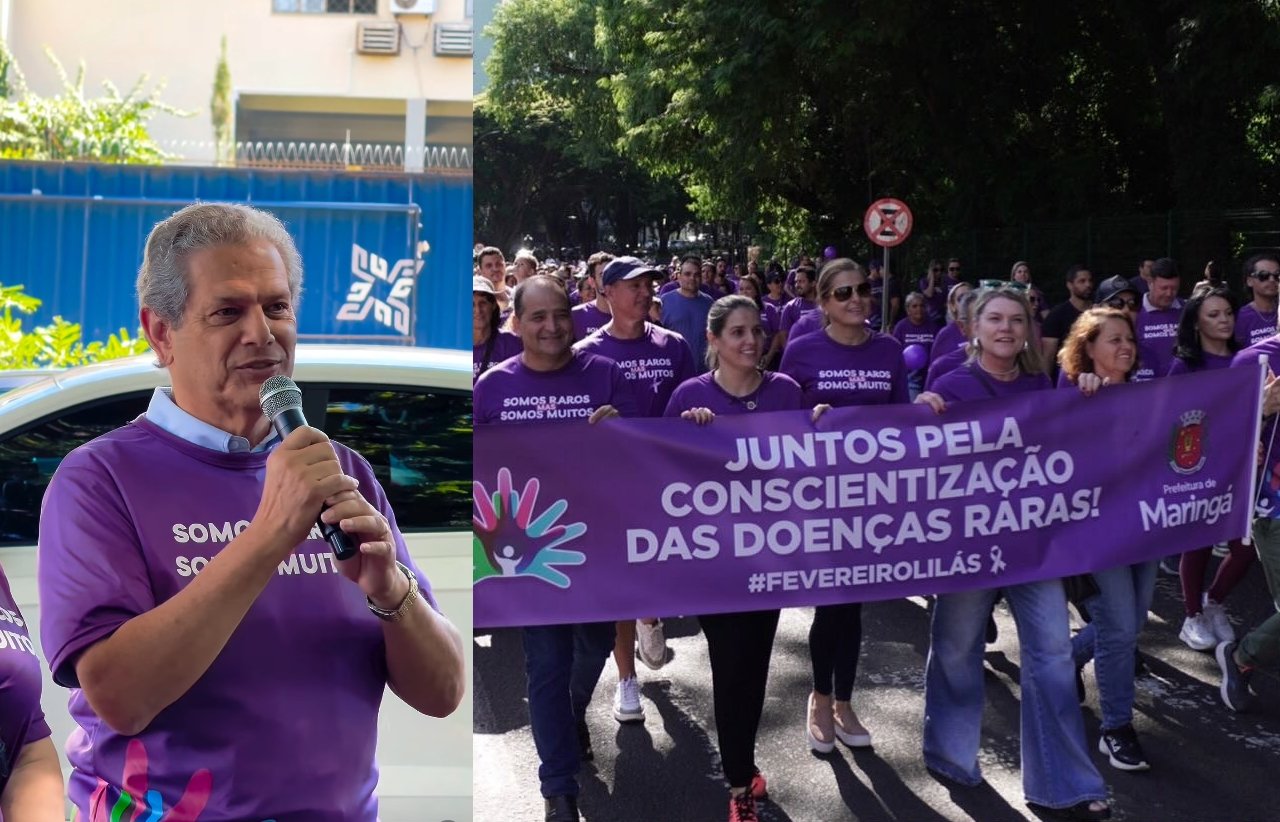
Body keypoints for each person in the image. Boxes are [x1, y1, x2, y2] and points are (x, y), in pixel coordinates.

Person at [37, 202, 466, 820]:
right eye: (228, 311)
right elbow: (120, 697)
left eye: (277, 306)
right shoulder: (98, 480)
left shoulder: (340, 470)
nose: (262, 333)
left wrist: (388, 588)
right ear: (161, 333)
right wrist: (269, 535)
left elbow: (444, 691)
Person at [915, 287, 1111, 821]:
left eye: (1016, 320)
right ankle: (950, 755)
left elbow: (1074, 440)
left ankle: (1064, 781)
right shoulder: (949, 384)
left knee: (1050, 656)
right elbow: (921, 460)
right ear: (972, 329)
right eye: (994, 320)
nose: (1006, 328)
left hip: (1034, 548)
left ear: (1028, 329)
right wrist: (919, 415)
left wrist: (1090, 388)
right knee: (957, 647)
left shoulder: (1042, 385)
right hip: (968, 546)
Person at [475, 274, 636, 822]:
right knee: (545, 664)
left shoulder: (607, 375)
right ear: (516, 323)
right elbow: (475, 477)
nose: (551, 327)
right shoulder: (492, 387)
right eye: (537, 317)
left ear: (574, 317)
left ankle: (572, 711)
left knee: (592, 648)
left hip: (599, 545)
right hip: (533, 554)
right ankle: (558, 787)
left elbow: (647, 460)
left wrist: (623, 429)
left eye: (560, 314)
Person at [665, 294, 811, 822]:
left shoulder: (787, 392)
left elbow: (810, 466)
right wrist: (687, 431)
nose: (750, 341)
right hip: (712, 564)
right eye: (737, 333)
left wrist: (821, 424)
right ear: (715, 340)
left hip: (768, 560)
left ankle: (742, 765)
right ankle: (738, 782)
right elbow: (658, 473)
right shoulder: (689, 395)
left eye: (757, 330)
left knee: (755, 665)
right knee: (730, 668)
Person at [780, 258, 907, 757]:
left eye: (863, 290)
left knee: (852, 602)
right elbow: (782, 418)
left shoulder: (889, 350)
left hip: (870, 498)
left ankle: (844, 701)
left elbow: (901, 420)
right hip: (819, 496)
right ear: (824, 302)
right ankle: (821, 697)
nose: (856, 299)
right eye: (843, 293)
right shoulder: (804, 348)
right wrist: (807, 419)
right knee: (832, 599)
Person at [576, 256, 696, 726]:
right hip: (613, 485)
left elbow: (695, 397)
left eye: (650, 284)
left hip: (667, 481)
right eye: (634, 286)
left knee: (659, 566)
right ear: (607, 294)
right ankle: (626, 679)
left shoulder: (675, 346)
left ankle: (651, 611)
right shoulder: (584, 352)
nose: (647, 292)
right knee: (622, 578)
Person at [1056, 308, 1154, 772]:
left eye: (1129, 339)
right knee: (1118, 629)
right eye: (1113, 339)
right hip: (1097, 535)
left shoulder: (1150, 396)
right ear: (1087, 349)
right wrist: (1085, 397)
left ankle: (1066, 659)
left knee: (1129, 625)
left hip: (1148, 529)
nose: (1125, 347)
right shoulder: (1074, 394)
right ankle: (1116, 728)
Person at [1167, 289, 1253, 652]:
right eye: (1214, 314)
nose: (1224, 320)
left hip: (1244, 464)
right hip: (1200, 465)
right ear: (1196, 322)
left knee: (1246, 546)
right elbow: (1173, 419)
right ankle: (1191, 617)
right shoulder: (1185, 364)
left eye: (1228, 313)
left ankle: (1213, 601)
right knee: (1199, 540)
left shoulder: (1248, 357)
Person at [660, 255, 716, 372]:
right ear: (679, 276)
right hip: (673, 371)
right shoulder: (664, 301)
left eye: (696, 275)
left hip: (703, 372)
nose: (692, 278)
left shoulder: (709, 303)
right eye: (687, 274)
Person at [1134, 258, 1183, 381]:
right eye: (1164, 288)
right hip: (1146, 388)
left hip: (1182, 384)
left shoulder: (1186, 310)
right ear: (1150, 283)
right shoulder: (1134, 311)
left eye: (1174, 288)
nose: (1169, 293)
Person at [1041, 265, 1095, 368]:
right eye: (1082, 281)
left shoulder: (1099, 312)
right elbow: (1048, 356)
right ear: (1070, 285)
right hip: (1067, 376)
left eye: (1090, 280)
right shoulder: (1056, 315)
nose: (1088, 285)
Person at [892, 291, 940, 399]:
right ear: (908, 309)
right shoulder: (901, 327)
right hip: (910, 377)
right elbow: (894, 351)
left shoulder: (933, 327)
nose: (919, 309)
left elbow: (938, 351)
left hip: (929, 375)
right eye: (914, 306)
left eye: (922, 306)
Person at [474, 275, 522, 379]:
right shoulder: (455, 349)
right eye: (471, 304)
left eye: (483, 303)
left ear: (493, 305)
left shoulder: (512, 343)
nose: (478, 310)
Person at [1235, 252, 1280, 349]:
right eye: (1264, 275)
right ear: (1249, 281)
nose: (1272, 279)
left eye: (1277, 275)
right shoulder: (1242, 316)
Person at [927, 281, 975, 367]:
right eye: (961, 298)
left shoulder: (984, 330)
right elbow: (935, 368)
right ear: (952, 306)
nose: (966, 302)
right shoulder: (945, 334)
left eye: (970, 298)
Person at [571, 251, 614, 340]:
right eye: (603, 275)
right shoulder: (577, 315)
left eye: (613, 274)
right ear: (592, 281)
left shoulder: (634, 314)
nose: (609, 279)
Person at [478, 245, 511, 312]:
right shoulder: (474, 300)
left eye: (498, 264)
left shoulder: (517, 296)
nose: (495, 269)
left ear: (505, 266)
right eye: (489, 266)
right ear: (481, 271)